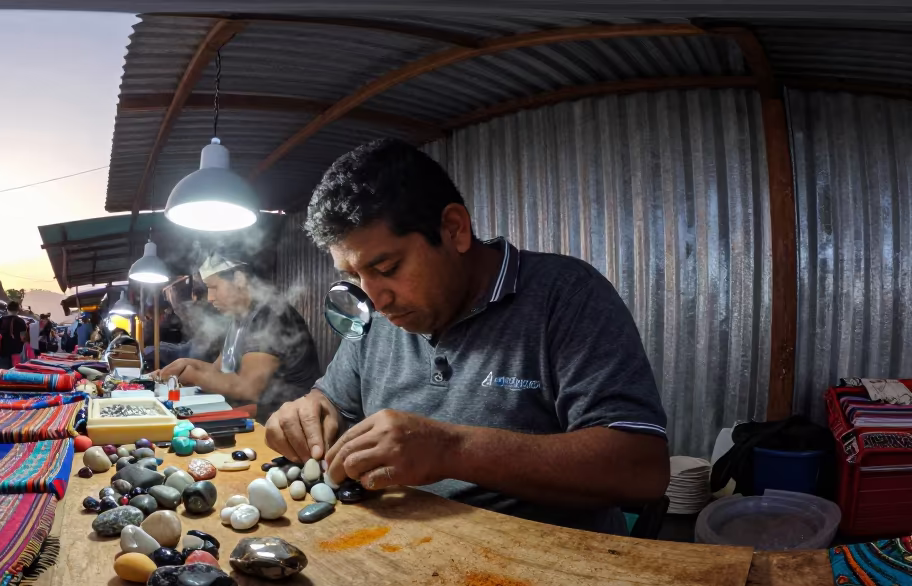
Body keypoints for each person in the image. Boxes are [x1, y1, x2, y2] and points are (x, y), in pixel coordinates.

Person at [265, 139, 669, 534]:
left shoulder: (565, 294)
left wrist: (451, 450)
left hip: (543, 563)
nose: (377, 299)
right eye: (353, 276)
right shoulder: (379, 313)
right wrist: (311, 413)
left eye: (387, 267)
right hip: (400, 548)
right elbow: (334, 404)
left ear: (454, 229)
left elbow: (641, 468)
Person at [156, 255, 320, 423]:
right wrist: (186, 364)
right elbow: (218, 371)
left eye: (214, 287)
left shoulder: (268, 315)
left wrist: (193, 376)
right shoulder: (239, 318)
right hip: (257, 414)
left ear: (239, 279)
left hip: (285, 420)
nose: (210, 297)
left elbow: (248, 388)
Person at [0, 301, 29, 370]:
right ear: (18, 310)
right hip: (16, 352)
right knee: (14, 372)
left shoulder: (1, 320)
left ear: (7, 309)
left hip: (3, 351)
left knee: (3, 373)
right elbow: (23, 338)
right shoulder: (21, 322)